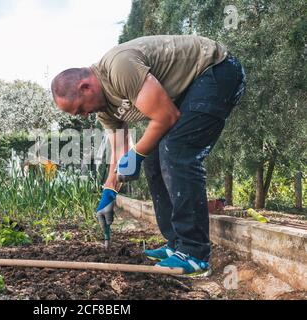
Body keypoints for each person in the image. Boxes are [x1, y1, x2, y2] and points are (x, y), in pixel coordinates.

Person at [51, 35, 246, 276]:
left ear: (85, 87)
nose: (83, 116)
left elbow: (166, 116)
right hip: (190, 89)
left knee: (176, 151)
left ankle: (195, 253)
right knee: (152, 158)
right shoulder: (104, 110)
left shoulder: (119, 67)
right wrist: (109, 192)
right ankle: (177, 244)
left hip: (217, 71)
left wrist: (137, 155)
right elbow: (121, 151)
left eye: (79, 109)